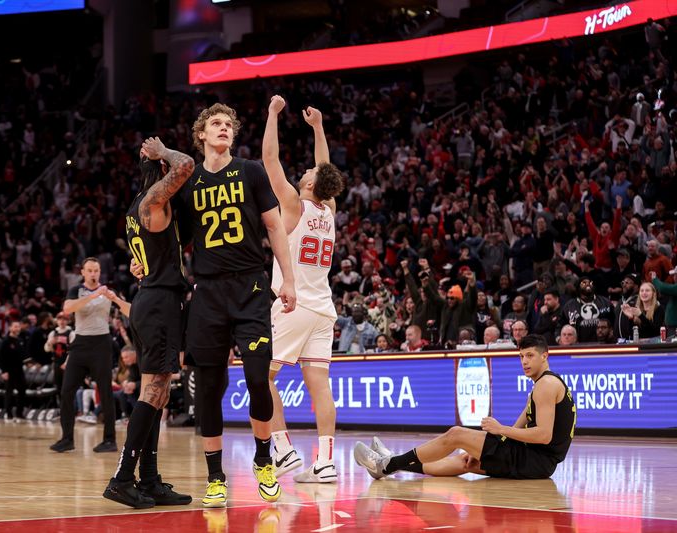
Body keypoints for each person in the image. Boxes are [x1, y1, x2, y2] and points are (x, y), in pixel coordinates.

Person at [179, 103, 297, 507]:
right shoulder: (187, 179)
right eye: (216, 124)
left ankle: (264, 461)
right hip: (208, 293)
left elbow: (273, 225)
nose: (224, 128)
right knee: (209, 389)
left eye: (229, 124)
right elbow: (172, 238)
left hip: (250, 288)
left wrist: (288, 279)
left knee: (257, 378)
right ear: (201, 135)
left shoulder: (250, 171)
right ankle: (215, 477)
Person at [103, 137, 195, 509]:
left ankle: (150, 479)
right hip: (158, 303)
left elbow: (149, 252)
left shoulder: (135, 208)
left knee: (153, 395)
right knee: (155, 392)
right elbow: (186, 165)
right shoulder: (153, 200)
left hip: (149, 297)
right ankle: (122, 478)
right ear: (160, 175)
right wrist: (164, 153)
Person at [354, 334, 575, 479]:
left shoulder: (546, 385)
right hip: (536, 462)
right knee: (464, 461)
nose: (524, 361)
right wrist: (494, 441)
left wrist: (500, 430)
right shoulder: (543, 384)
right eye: (521, 356)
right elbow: (522, 422)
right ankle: (391, 462)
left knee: (456, 434)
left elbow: (544, 435)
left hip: (536, 461)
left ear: (545, 356)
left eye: (530, 356)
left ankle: (387, 463)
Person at [262, 96, 345, 483]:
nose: (306, 170)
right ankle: (326, 460)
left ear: (309, 183)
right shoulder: (328, 209)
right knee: (320, 387)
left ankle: (282, 450)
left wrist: (273, 116)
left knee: (261, 376)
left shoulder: (295, 205)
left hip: (292, 304)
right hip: (323, 308)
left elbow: (270, 162)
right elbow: (326, 169)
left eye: (309, 170)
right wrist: (318, 128)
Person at [50, 258, 130, 454]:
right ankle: (67, 438)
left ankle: (109, 440)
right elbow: (67, 309)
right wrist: (94, 295)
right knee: (67, 390)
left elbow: (130, 311)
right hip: (79, 345)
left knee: (106, 392)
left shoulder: (107, 291)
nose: (93, 274)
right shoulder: (76, 290)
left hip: (101, 344)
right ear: (83, 273)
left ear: (99, 272)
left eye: (96, 270)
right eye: (90, 270)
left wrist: (115, 299)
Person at [562, 278, 613, 343]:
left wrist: (613, 332)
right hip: (578, 345)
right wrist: (558, 338)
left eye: (590, 282)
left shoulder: (605, 302)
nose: (588, 284)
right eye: (584, 283)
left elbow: (614, 320)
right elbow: (561, 324)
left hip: (604, 344)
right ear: (578, 287)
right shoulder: (569, 306)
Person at [0, 320, 27, 421]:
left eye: (18, 327)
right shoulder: (5, 341)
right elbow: (0, 357)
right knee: (9, 392)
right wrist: (4, 371)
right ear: (10, 328)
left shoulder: (20, 340)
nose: (17, 328)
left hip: (19, 369)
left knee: (22, 391)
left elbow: (22, 355)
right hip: (9, 370)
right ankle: (9, 414)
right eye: (15, 327)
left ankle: (19, 413)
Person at [44, 312, 75, 401]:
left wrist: (66, 362)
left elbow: (73, 351)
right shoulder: (53, 333)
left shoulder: (71, 333)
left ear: (68, 321)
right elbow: (46, 349)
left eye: (64, 319)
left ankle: (69, 408)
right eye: (60, 319)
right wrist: (50, 343)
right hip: (57, 362)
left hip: (67, 363)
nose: (62, 321)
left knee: (67, 387)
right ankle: (61, 408)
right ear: (57, 321)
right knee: (58, 387)